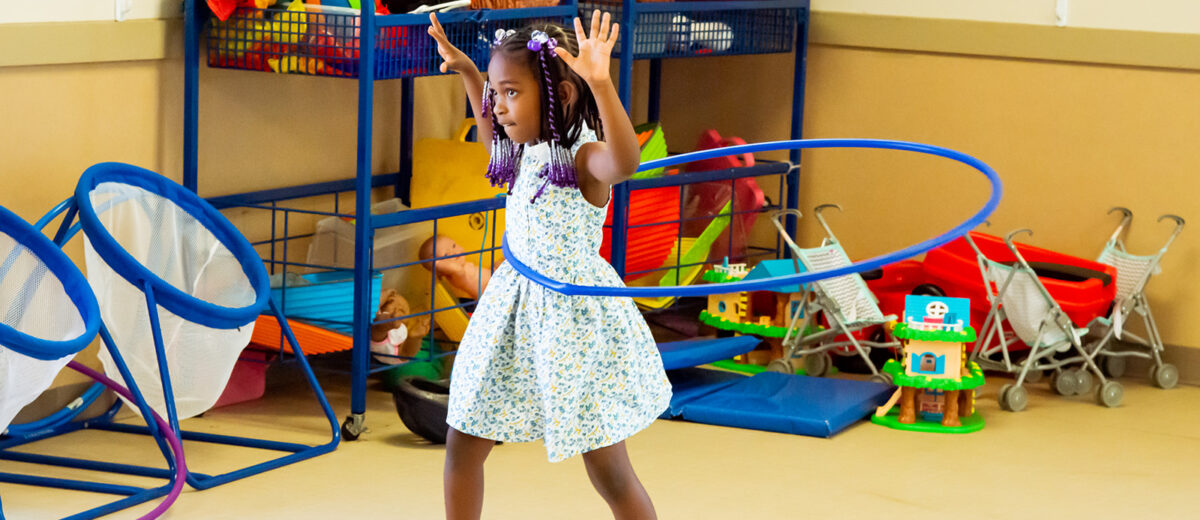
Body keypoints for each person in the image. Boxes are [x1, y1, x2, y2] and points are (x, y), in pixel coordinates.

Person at [427, 11, 671, 520]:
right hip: (511, 308)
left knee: (609, 472)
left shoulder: (586, 160)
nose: (498, 107)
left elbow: (627, 165)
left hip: (574, 322)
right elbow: (487, 121)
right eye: (497, 94)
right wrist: (473, 75)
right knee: (462, 440)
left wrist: (601, 84)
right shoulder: (517, 148)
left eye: (511, 92)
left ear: (559, 97)